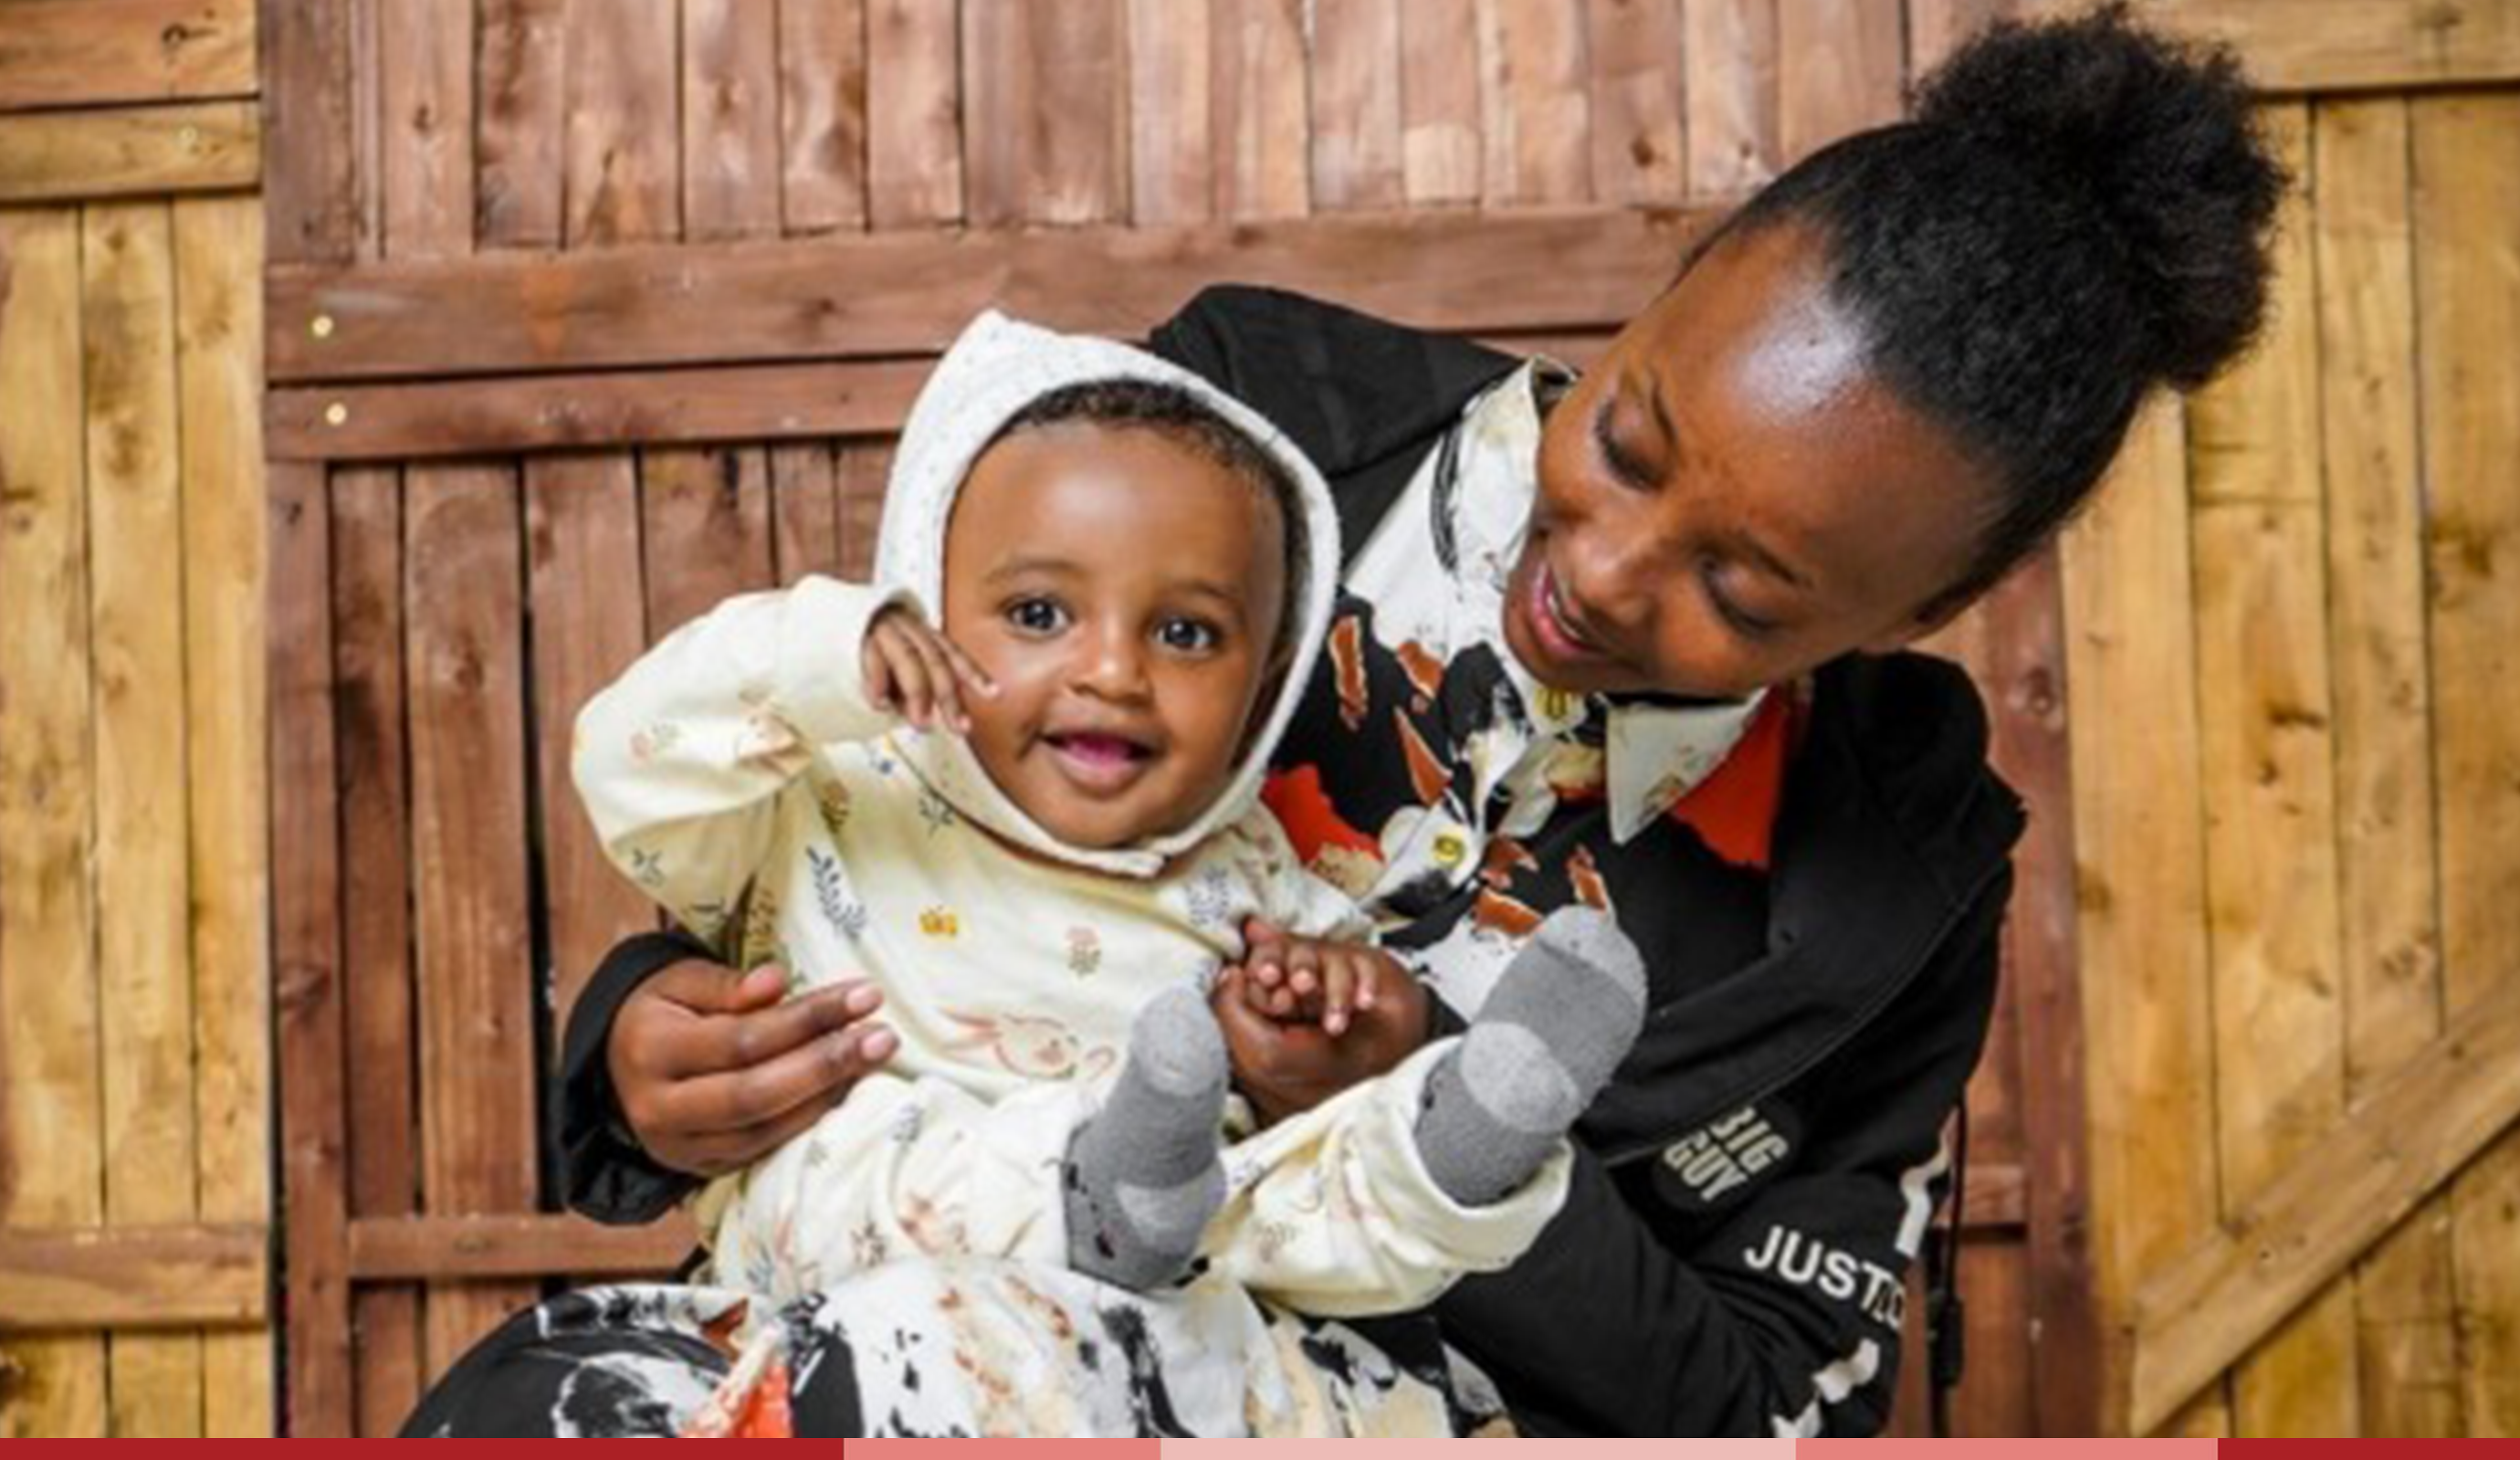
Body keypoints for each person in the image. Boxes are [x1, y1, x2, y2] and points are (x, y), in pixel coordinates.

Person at [406, 5, 2284, 1436]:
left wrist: (1446, 1126)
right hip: (926, 1329)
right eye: (1624, 437)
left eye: (1749, 594)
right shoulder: (1248, 417)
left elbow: (1770, 1407)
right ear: (1664, 298)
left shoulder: (1891, 881)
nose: (1614, 575)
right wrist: (638, 1034)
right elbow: (890, 797)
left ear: (1924, 615)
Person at [569, 310, 1644, 1338]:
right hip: (872, 1272)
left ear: (1265, 681)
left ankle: (1458, 1145)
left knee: (1279, 1205)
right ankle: (1096, 1195)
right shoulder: (835, 791)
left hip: (1168, 1287)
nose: (1115, 672)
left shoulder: (1245, 869)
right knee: (841, 1175)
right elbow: (633, 767)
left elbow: (1319, 1034)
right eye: (1039, 615)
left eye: (1186, 632)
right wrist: (823, 655)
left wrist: (1354, 1008)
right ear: (924, 601)